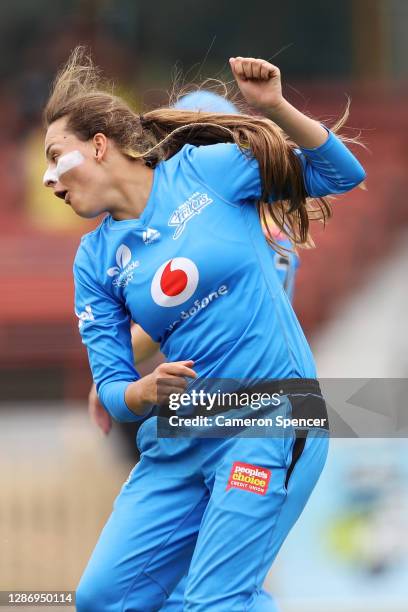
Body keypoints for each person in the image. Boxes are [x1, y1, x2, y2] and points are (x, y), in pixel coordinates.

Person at [43, 48, 365, 611]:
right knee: (102, 599)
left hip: (270, 415)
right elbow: (117, 386)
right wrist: (140, 393)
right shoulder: (94, 261)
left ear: (99, 145)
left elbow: (341, 173)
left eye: (55, 156)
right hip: (185, 431)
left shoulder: (209, 174)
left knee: (215, 601)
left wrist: (277, 107)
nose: (47, 179)